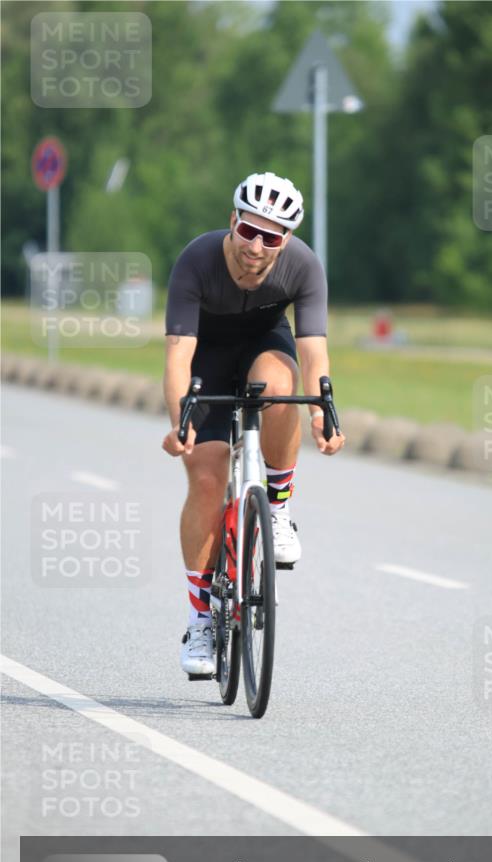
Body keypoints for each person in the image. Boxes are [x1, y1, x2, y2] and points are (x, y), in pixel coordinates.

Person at [161, 171, 345, 675]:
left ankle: (279, 510)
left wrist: (320, 413)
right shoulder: (197, 261)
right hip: (207, 359)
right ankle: (201, 621)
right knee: (206, 476)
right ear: (232, 222)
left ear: (285, 240)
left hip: (266, 343)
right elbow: (178, 356)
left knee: (281, 387)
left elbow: (314, 351)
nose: (257, 246)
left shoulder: (303, 266)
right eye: (248, 230)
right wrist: (182, 421)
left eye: (271, 236)